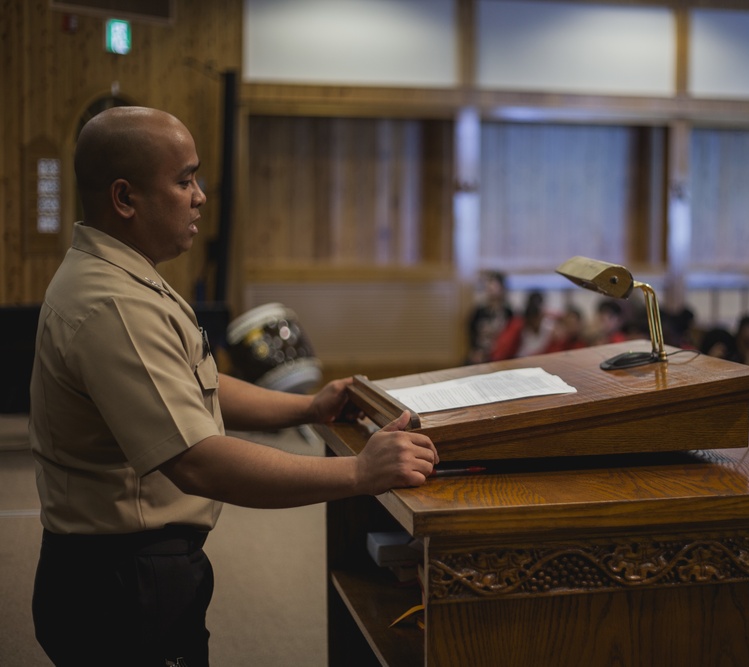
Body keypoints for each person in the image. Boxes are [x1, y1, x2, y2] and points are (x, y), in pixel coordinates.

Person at [28, 106, 439, 667]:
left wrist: (309, 408)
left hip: (128, 567)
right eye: (184, 180)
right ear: (125, 199)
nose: (199, 196)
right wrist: (359, 472)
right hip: (121, 580)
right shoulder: (113, 304)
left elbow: (196, 385)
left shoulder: (121, 274)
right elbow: (198, 461)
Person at [465, 270, 513, 365]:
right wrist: (476, 351)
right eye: (488, 283)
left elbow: (511, 339)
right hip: (479, 353)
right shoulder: (478, 311)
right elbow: (471, 333)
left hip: (500, 355)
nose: (489, 286)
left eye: (493, 283)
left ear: (502, 287)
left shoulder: (508, 312)